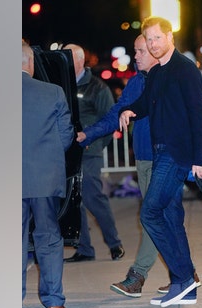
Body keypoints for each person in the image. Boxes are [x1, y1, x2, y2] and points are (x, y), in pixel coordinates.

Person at [76, 34, 202, 298]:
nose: (137, 55)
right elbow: (118, 113)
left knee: (153, 215)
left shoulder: (176, 74)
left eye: (142, 49)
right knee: (170, 218)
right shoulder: (138, 82)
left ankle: (139, 275)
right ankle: (186, 276)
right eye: (138, 49)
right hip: (147, 159)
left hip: (164, 160)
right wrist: (87, 135)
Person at [119, 16, 202, 308]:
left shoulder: (185, 70)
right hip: (160, 153)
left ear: (170, 37)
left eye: (157, 38)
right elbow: (146, 103)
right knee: (169, 217)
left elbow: (197, 114)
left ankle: (184, 276)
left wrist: (199, 159)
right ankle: (187, 287)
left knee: (150, 213)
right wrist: (130, 111)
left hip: (177, 153)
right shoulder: (157, 72)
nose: (153, 44)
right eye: (149, 39)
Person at [22, 40, 73, 308]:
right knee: (49, 239)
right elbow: (65, 136)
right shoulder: (53, 92)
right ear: (30, 63)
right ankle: (53, 302)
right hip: (44, 178)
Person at [61, 44, 126, 262]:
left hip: (89, 152)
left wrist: (94, 145)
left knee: (92, 196)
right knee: (74, 200)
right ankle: (85, 248)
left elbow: (109, 122)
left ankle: (115, 243)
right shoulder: (61, 86)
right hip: (67, 152)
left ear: (80, 61)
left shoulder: (97, 87)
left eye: (67, 57)